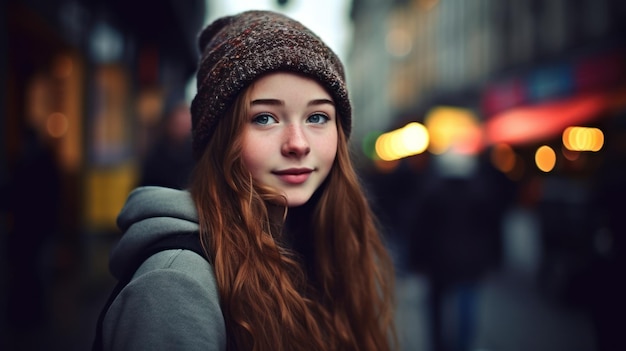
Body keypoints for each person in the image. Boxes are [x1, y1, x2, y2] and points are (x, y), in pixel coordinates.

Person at [98, 10, 396, 351]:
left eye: (317, 116)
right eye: (265, 118)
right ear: (220, 137)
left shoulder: (316, 246)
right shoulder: (174, 285)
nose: (298, 143)